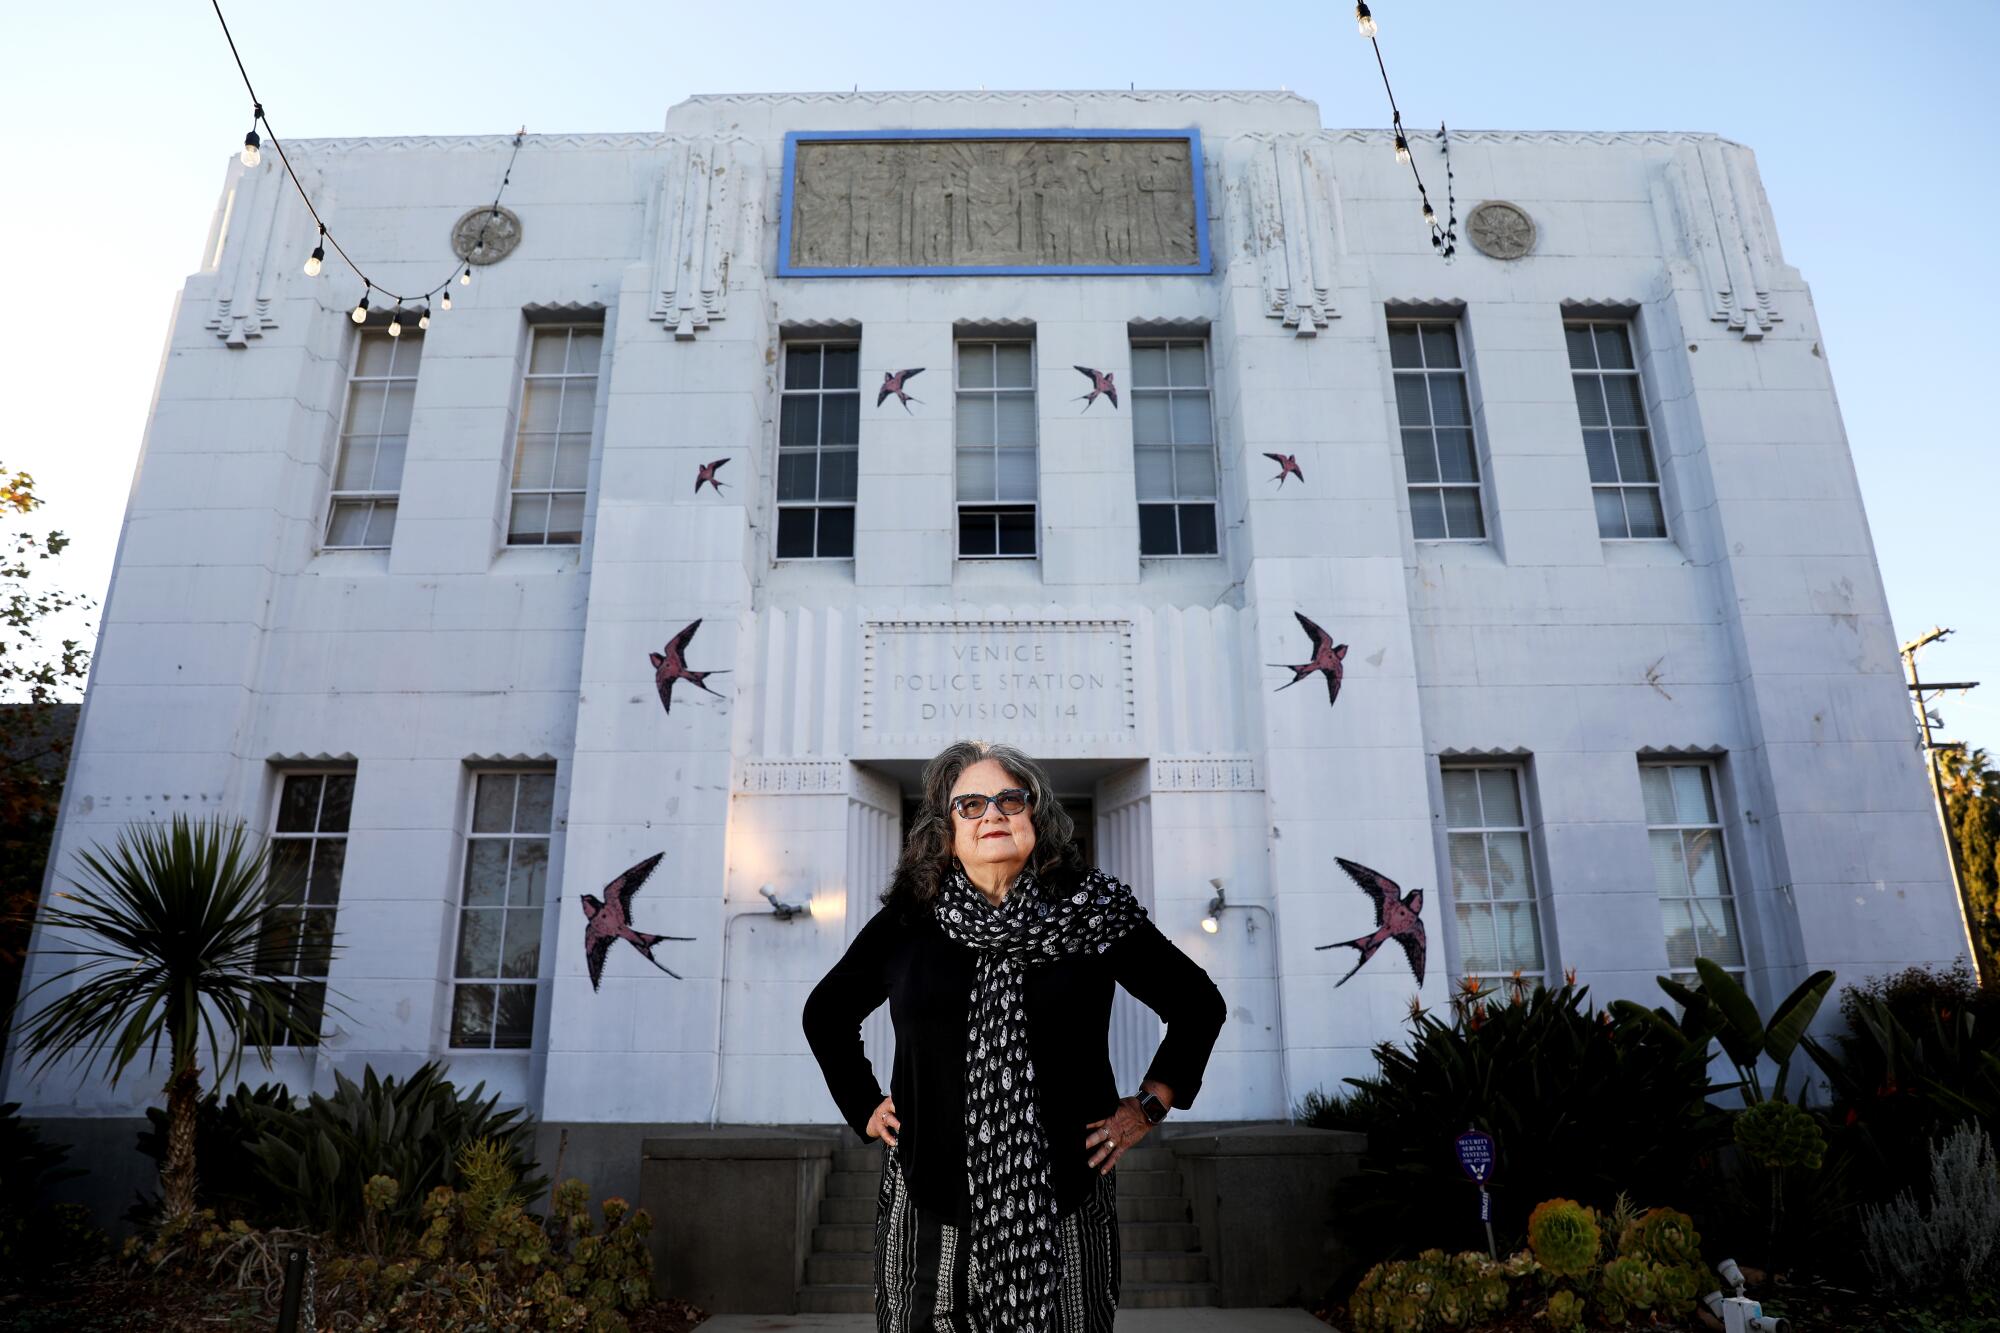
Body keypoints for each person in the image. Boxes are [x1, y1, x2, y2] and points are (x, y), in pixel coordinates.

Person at [802, 739, 1228, 1333]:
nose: (993, 815)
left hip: (1067, 1201)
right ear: (945, 829)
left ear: (1038, 815)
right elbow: (825, 1013)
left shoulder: (1092, 911)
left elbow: (1197, 1004)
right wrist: (864, 1106)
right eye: (970, 805)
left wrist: (1150, 1105)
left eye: (1009, 799)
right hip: (929, 1202)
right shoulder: (909, 921)